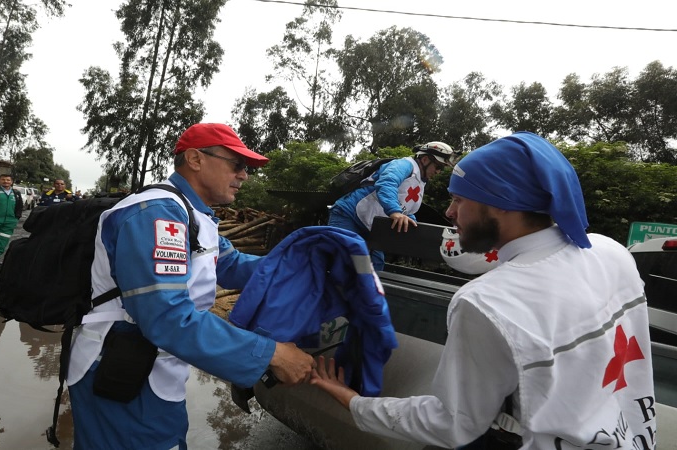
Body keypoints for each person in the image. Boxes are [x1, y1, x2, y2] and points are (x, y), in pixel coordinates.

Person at [310, 131, 656, 449]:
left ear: (501, 202)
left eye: (460, 200)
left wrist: (353, 402)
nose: (449, 213)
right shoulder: (611, 252)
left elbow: (455, 424)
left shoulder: (486, 301)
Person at [66, 122, 315, 449]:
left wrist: (306, 269)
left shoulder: (196, 215)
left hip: (154, 370)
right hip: (119, 371)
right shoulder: (157, 213)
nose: (245, 175)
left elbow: (230, 263)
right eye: (237, 165)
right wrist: (272, 354)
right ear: (196, 159)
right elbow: (167, 317)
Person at [327, 142, 457, 270]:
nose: (439, 172)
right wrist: (395, 212)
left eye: (443, 168)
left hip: (371, 227)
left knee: (376, 266)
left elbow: (406, 210)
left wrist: (411, 224)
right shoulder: (403, 165)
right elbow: (387, 183)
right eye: (438, 166)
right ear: (424, 159)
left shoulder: (420, 182)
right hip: (349, 215)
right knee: (344, 262)